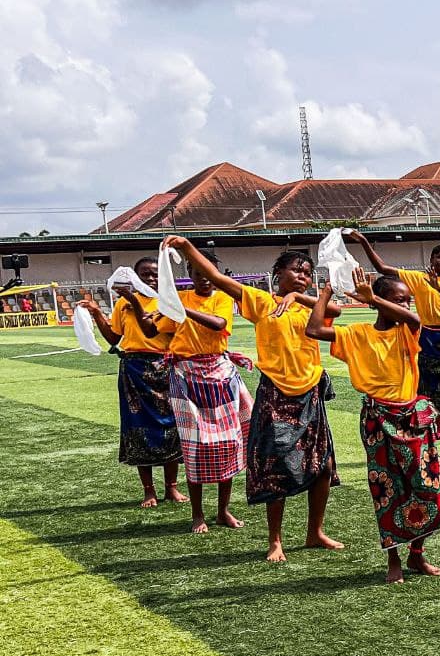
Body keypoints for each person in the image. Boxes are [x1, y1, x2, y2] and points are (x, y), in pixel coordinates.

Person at [165, 239, 345, 562]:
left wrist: (297, 296)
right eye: (295, 270)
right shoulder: (262, 302)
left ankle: (314, 532)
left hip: (310, 392)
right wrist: (188, 248)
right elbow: (220, 280)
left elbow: (334, 309)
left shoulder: (308, 305)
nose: (303, 275)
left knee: (324, 466)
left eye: (307, 272)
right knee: (275, 468)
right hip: (276, 392)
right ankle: (275, 540)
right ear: (278, 273)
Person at [306, 269, 440, 583]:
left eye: (408, 301)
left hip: (412, 419)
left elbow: (415, 320)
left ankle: (417, 554)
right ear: (379, 305)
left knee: (430, 489)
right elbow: (315, 329)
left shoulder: (408, 330)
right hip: (378, 420)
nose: (406, 307)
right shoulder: (357, 333)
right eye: (399, 300)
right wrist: (325, 292)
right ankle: (394, 559)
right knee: (388, 490)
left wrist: (372, 297)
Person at [346, 231, 440, 458]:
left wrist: (439, 288)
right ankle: (422, 436)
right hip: (425, 338)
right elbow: (384, 269)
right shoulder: (417, 278)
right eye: (439, 257)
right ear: (431, 260)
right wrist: (364, 242)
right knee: (422, 391)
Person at [78, 257, 186, 508]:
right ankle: (148, 490)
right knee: (139, 428)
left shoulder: (169, 303)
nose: (150, 278)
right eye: (145, 274)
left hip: (164, 367)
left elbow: (164, 332)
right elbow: (114, 337)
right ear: (135, 277)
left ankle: (172, 487)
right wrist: (96, 313)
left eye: (155, 274)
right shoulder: (123, 305)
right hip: (133, 370)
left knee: (171, 428)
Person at [161, 251, 254, 533]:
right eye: (198, 274)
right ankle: (198, 514)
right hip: (187, 377)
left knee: (228, 443)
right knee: (195, 446)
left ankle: (223, 510)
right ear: (190, 275)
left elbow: (219, 324)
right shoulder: (182, 299)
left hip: (219, 375)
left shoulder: (223, 297)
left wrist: (180, 308)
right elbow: (160, 330)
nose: (204, 279)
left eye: (209, 273)